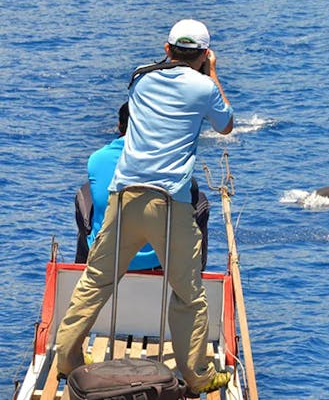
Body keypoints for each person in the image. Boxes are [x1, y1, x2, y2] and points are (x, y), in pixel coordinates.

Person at [55, 19, 234, 394]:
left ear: (167, 49)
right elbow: (226, 125)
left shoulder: (140, 77)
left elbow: (158, 79)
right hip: (169, 201)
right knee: (188, 294)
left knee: (95, 282)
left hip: (126, 196)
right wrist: (212, 72)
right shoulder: (204, 86)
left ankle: (67, 360)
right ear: (204, 54)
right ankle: (198, 375)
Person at [74, 102, 210, 270]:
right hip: (159, 257)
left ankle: (81, 268)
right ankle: (196, 271)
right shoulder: (169, 158)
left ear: (119, 126)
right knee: (199, 200)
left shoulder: (97, 159)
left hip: (108, 254)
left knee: (84, 193)